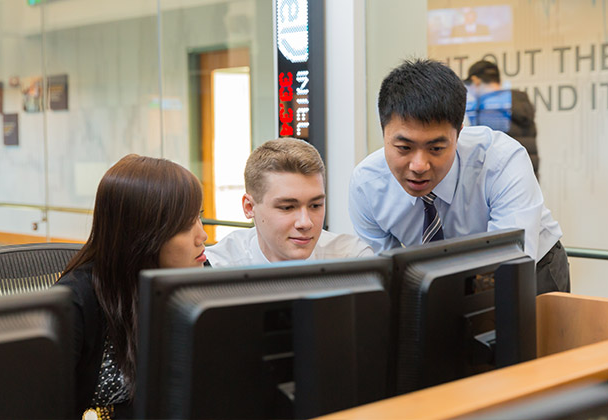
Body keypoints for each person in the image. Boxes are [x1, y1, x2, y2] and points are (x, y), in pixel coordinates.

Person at [348, 58, 569, 295]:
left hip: (533, 267)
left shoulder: (501, 161)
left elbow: (508, 266)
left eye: (436, 149)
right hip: (437, 279)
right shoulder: (367, 185)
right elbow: (387, 277)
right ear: (383, 132)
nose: (419, 166)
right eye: (404, 147)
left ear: (458, 133)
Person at [55, 154, 208, 419]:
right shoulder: (76, 303)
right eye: (185, 225)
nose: (202, 235)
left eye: (199, 218)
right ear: (143, 236)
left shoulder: (192, 280)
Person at [205, 138, 373, 267]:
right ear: (249, 207)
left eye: (315, 205)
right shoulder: (217, 268)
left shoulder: (351, 260)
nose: (305, 223)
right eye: (287, 207)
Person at [464, 60, 539, 178]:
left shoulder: (489, 108)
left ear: (475, 81)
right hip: (527, 180)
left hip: (502, 184)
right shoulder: (520, 103)